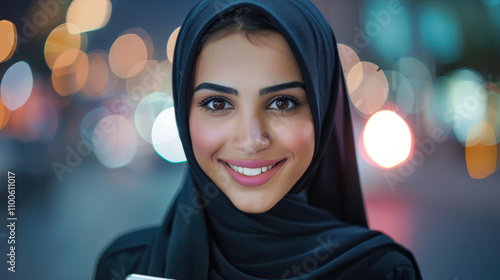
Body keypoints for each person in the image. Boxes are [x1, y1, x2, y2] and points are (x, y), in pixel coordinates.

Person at [95, 0, 422, 279]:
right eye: (218, 104)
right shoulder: (125, 266)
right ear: (184, 114)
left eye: (282, 103)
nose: (252, 140)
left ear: (322, 113)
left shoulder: (380, 271)